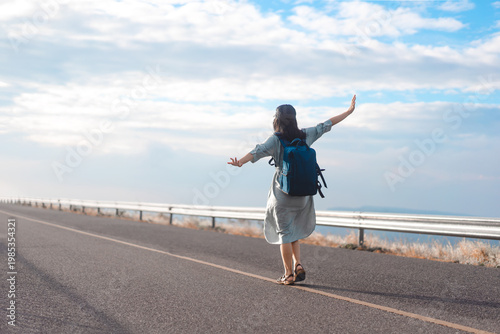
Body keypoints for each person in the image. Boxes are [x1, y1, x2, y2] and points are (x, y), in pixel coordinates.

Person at [227, 95, 356, 285]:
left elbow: (257, 151)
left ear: (276, 120)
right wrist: (348, 111)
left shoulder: (276, 140)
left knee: (284, 234)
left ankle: (288, 274)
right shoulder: (306, 135)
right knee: (293, 231)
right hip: (303, 194)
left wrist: (240, 163)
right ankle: (298, 265)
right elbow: (327, 124)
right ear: (295, 119)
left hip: (283, 194)